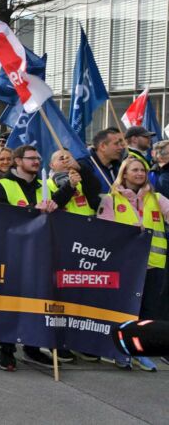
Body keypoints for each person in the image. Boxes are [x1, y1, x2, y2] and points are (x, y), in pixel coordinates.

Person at [0, 145, 60, 371]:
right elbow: (1, 219)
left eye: (38, 158)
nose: (36, 161)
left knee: (37, 302)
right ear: (18, 161)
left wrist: (53, 209)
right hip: (13, 253)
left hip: (39, 252)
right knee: (11, 305)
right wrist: (33, 209)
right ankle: (6, 352)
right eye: (31, 158)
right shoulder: (3, 185)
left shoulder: (43, 186)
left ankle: (33, 348)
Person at [97, 156, 168, 372]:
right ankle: (118, 351)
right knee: (123, 310)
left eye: (143, 170)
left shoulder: (157, 198)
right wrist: (127, 232)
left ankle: (140, 352)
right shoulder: (110, 200)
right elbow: (103, 232)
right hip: (124, 265)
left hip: (154, 264)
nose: (139, 174)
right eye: (135, 170)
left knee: (148, 311)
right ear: (124, 174)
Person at [77, 127, 125, 212]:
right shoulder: (84, 165)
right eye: (116, 144)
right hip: (92, 217)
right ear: (102, 146)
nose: (121, 147)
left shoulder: (118, 166)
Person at [48, 150, 94, 216]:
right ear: (51, 165)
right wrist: (70, 185)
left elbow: (96, 195)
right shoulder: (45, 184)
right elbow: (52, 204)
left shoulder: (82, 177)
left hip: (88, 221)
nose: (66, 161)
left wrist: (80, 168)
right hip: (64, 222)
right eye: (62, 159)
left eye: (69, 159)